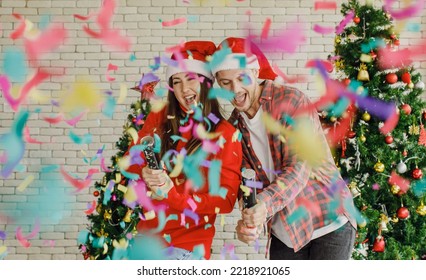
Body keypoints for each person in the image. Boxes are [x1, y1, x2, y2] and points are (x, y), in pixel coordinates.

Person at [211, 37, 357, 260]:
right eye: (225, 83)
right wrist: (249, 218)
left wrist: (264, 206)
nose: (235, 90)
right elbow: (246, 183)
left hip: (328, 221)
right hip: (286, 232)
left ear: (255, 71)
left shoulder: (291, 100)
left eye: (241, 78)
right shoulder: (233, 126)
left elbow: (300, 167)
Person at [125, 41, 242, 260]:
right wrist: (143, 172)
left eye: (190, 79)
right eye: (176, 82)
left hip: (185, 248)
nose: (183, 89)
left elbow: (225, 201)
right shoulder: (160, 118)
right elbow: (129, 161)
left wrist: (173, 195)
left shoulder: (225, 134)